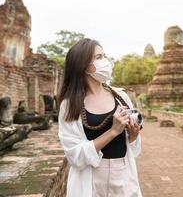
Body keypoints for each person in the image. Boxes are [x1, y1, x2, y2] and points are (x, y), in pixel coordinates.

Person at [57, 38, 142, 197]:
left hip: (123, 173)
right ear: (83, 65)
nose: (106, 62)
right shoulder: (69, 105)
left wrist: (134, 134)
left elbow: (130, 143)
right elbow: (74, 155)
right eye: (98, 57)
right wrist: (112, 131)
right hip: (91, 179)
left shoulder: (121, 96)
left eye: (104, 56)